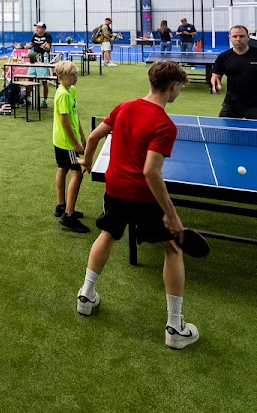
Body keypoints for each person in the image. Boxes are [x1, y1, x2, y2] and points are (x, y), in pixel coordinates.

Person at [76, 60, 198, 350]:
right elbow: (151, 172)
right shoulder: (164, 125)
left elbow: (93, 137)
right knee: (172, 249)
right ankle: (175, 327)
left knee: (107, 234)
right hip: (143, 196)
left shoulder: (124, 107)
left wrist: (88, 163)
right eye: (179, 87)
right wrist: (171, 215)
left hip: (114, 188)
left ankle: (86, 296)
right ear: (172, 87)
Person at [210, 25, 257, 120]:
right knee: (223, 129)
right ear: (230, 38)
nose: (238, 39)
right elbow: (215, 76)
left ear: (248, 37)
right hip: (232, 103)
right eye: (235, 36)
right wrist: (216, 84)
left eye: (242, 36)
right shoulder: (223, 57)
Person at [51, 60, 88, 233]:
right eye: (72, 75)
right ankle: (68, 215)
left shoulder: (71, 90)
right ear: (60, 77)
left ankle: (61, 206)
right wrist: (76, 144)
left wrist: (82, 135)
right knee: (77, 174)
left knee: (63, 168)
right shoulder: (63, 95)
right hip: (66, 143)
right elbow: (65, 123)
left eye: (76, 74)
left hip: (62, 140)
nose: (75, 77)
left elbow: (74, 115)